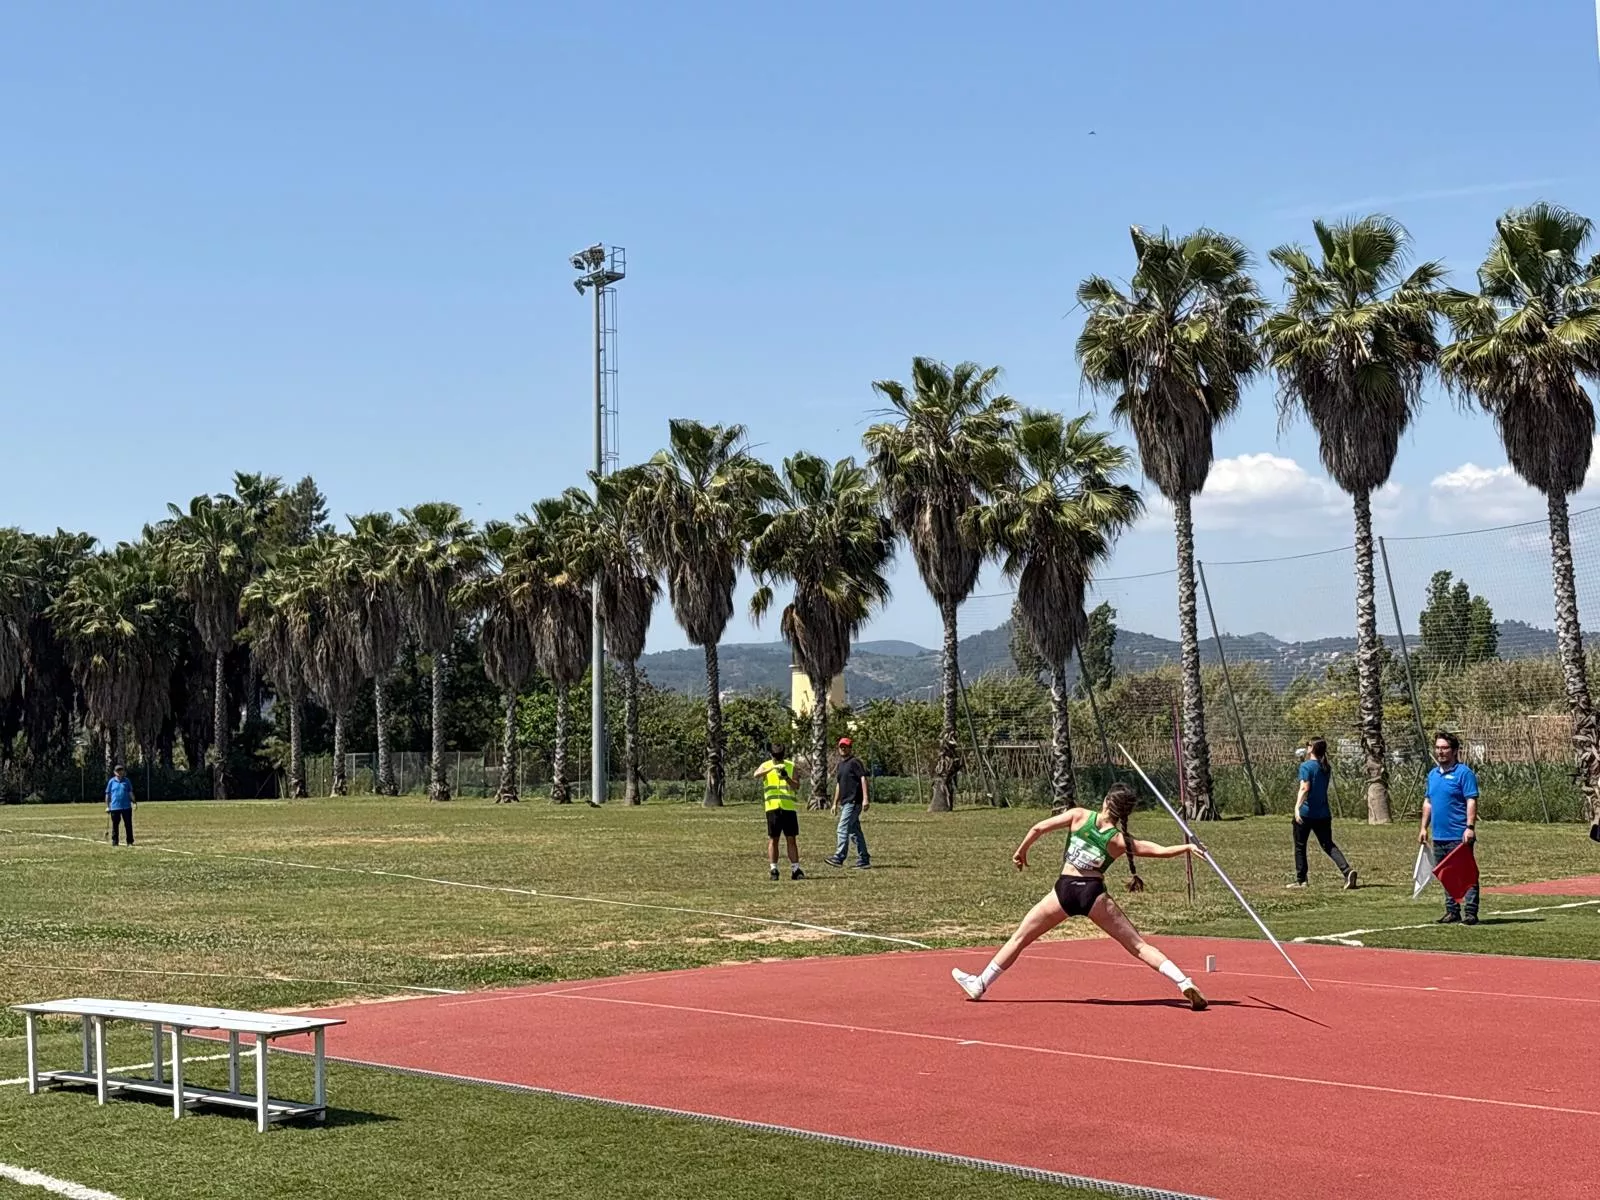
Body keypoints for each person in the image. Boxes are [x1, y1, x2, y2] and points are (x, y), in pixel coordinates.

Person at [951, 783, 1209, 1009]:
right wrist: (1186, 847)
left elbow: (1039, 827)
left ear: (1107, 801)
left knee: (1020, 937)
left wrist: (1022, 851)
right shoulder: (1118, 840)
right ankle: (1183, 981)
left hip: (1064, 890)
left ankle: (981, 983)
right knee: (1139, 946)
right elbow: (1157, 850)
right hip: (1093, 894)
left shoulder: (1079, 815)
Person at [1420, 730, 1480, 925]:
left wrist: (1469, 827)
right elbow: (1428, 802)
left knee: (1465, 873)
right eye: (1438, 748)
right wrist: (1423, 828)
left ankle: (1470, 912)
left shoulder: (1464, 773)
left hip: (1458, 834)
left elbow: (1471, 800)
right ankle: (1452, 910)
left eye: (1445, 748)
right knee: (1446, 874)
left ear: (1454, 751)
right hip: (1439, 835)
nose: (1440, 752)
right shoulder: (1432, 775)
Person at [1287, 738, 1357, 890]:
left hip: (1306, 813)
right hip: (1323, 814)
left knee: (1300, 846)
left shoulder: (1306, 766)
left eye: (1308, 745)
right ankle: (1347, 870)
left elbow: (1305, 788)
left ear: (1312, 749)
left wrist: (1297, 807)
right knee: (1328, 844)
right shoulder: (1326, 767)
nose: (1306, 747)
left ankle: (1301, 880)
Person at [753, 743, 804, 881]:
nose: (778, 758)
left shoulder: (790, 766)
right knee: (773, 839)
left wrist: (787, 778)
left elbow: (796, 786)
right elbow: (756, 774)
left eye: (779, 756)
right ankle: (773, 869)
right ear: (771, 755)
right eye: (775, 756)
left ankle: (795, 869)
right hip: (772, 808)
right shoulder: (767, 765)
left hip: (788, 808)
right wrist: (771, 769)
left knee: (791, 839)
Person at [825, 737, 870, 869]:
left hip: (854, 801)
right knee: (854, 832)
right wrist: (834, 803)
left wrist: (865, 798)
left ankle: (839, 857)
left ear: (850, 748)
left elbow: (863, 778)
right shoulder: (840, 765)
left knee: (842, 828)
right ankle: (864, 859)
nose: (843, 749)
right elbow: (839, 784)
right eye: (841, 747)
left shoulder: (855, 762)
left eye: (845, 747)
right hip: (845, 802)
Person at [105, 764, 136, 846]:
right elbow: (108, 794)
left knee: (128, 824)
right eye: (118, 770)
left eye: (121, 770)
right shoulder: (111, 781)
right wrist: (108, 806)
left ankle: (130, 841)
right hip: (115, 807)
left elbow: (130, 792)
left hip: (126, 807)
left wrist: (134, 802)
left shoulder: (127, 781)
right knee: (115, 825)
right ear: (115, 772)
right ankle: (115, 841)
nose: (120, 772)